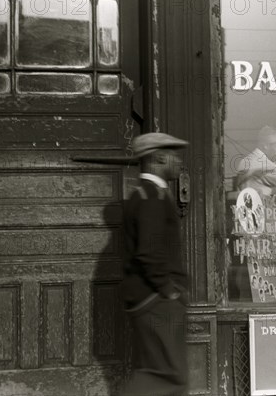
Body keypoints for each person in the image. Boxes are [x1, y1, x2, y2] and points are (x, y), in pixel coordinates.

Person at [120, 132, 189, 396]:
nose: (179, 161)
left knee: (159, 372)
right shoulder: (151, 197)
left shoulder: (147, 193)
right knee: (168, 376)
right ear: (159, 157)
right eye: (174, 155)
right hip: (156, 301)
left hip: (151, 298)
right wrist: (168, 290)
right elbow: (148, 252)